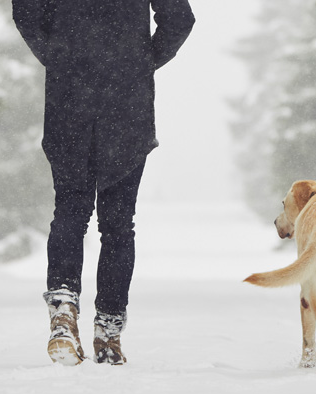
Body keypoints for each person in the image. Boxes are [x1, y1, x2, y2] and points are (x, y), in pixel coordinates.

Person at [12, 0, 195, 365]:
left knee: (69, 211)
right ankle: (108, 332)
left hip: (69, 99)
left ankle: (63, 309)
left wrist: (61, 55)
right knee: (117, 226)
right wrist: (139, 61)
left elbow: (27, 11)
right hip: (126, 103)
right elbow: (179, 18)